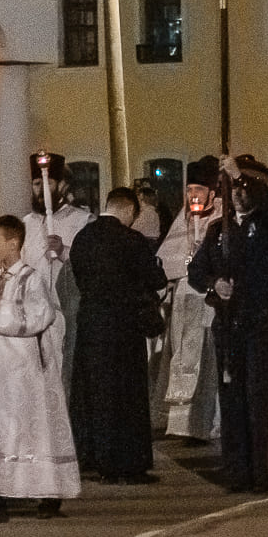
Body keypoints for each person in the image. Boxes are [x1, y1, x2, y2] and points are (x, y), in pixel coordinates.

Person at [188, 159, 268, 493]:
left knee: (259, 396)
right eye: (233, 188)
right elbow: (197, 272)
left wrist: (238, 173)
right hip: (228, 323)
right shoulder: (219, 230)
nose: (237, 194)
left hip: (260, 319)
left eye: (244, 187)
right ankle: (236, 469)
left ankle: (261, 472)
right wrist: (213, 282)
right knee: (231, 396)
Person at [0, 216, 79, 520]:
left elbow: (39, 317)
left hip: (24, 370)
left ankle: (46, 491)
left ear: (13, 243)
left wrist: (3, 305)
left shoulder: (32, 278)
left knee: (29, 429)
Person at [65, 183, 164, 483]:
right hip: (123, 328)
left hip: (91, 325)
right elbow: (155, 279)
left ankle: (91, 455)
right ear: (129, 210)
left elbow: (80, 277)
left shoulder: (82, 239)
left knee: (92, 393)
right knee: (126, 397)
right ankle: (127, 463)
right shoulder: (131, 240)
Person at [154, 163, 224, 443]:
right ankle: (182, 424)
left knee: (207, 357)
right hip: (184, 296)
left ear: (211, 192)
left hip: (208, 297)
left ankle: (206, 421)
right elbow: (166, 257)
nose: (193, 195)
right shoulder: (183, 218)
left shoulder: (220, 217)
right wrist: (185, 262)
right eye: (190, 189)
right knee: (181, 355)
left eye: (199, 189)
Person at [21, 152, 91, 381]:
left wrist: (63, 251)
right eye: (36, 183)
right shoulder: (26, 224)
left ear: (63, 185)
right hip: (31, 312)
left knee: (61, 373)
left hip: (63, 313)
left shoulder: (82, 220)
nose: (41, 189)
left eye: (48, 182)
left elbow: (90, 263)